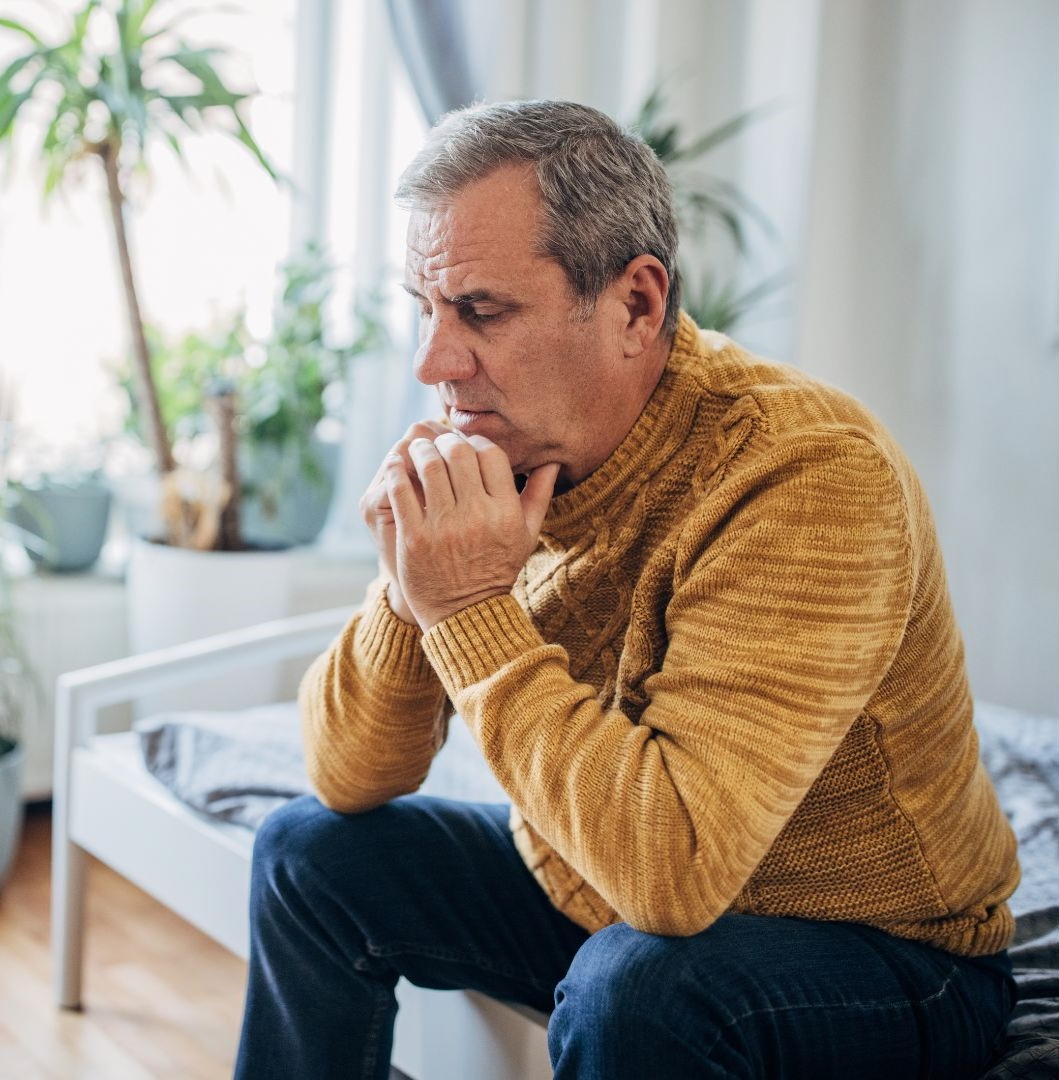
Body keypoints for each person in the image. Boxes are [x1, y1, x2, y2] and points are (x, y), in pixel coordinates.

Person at [233, 99, 1019, 1079]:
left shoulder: (808, 475)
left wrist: (473, 611)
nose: (435, 363)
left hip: (892, 956)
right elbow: (349, 775)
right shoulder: (509, 451)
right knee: (310, 856)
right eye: (424, 310)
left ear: (637, 307)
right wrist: (412, 585)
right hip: (616, 898)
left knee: (641, 990)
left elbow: (675, 874)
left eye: (480, 310)